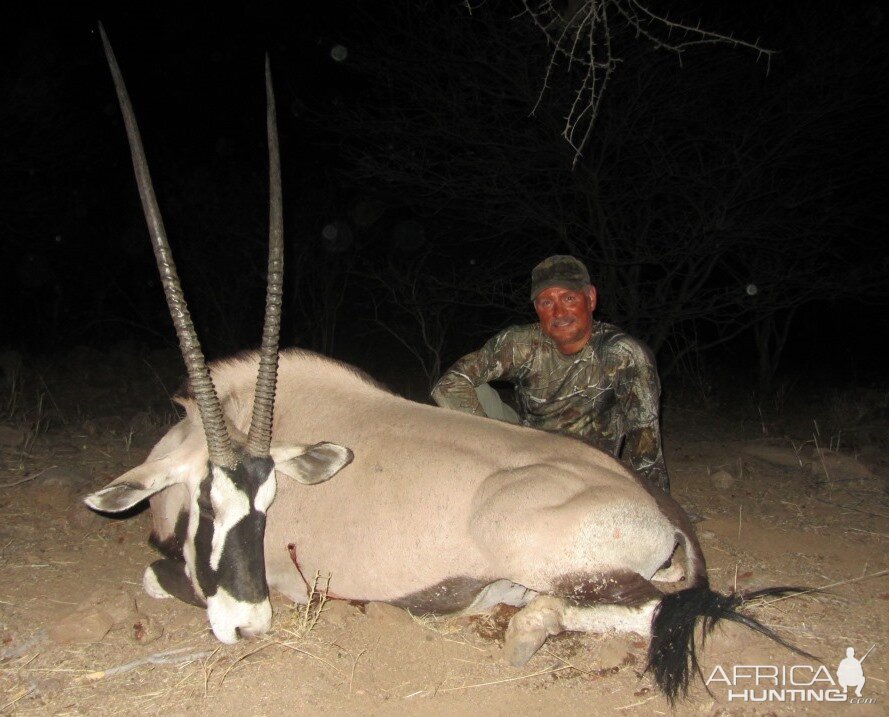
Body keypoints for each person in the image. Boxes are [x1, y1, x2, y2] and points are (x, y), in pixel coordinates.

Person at [431, 255, 670, 493]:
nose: (558, 312)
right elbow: (448, 384)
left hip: (586, 472)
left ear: (590, 298)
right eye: (546, 302)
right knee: (475, 391)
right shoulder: (520, 344)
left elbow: (646, 446)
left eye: (568, 298)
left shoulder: (624, 354)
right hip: (524, 453)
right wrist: (494, 447)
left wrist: (656, 503)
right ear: (537, 309)